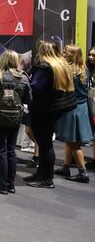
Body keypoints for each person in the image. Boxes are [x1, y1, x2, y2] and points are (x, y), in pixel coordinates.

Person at [0, 50, 32, 194]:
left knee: (1, 151)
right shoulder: (24, 78)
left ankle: (1, 185)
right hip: (15, 118)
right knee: (11, 150)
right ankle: (10, 184)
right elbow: (28, 100)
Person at [25, 41, 74, 189]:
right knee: (45, 143)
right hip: (53, 109)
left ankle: (46, 178)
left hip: (43, 109)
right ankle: (42, 174)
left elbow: (35, 87)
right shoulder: (61, 65)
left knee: (45, 144)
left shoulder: (45, 67)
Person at [53, 45, 92, 183]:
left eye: (66, 52)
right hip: (81, 108)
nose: (63, 53)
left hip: (71, 108)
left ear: (72, 55)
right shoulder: (84, 70)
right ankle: (66, 167)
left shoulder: (68, 71)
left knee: (74, 143)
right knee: (71, 141)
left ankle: (83, 173)